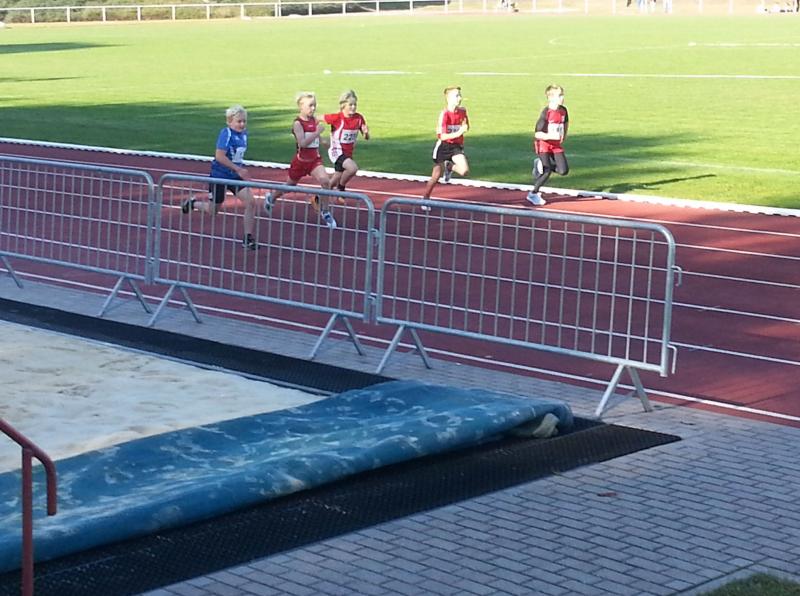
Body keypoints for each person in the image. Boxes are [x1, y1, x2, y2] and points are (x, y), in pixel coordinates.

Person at [181, 105, 258, 249]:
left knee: (251, 202)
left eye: (244, 121)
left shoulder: (244, 134)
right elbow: (219, 156)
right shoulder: (226, 133)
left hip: (234, 177)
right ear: (229, 121)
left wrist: (238, 170)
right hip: (220, 176)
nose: (242, 124)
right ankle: (193, 204)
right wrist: (238, 169)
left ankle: (248, 238)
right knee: (213, 211)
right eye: (239, 121)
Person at [263, 92, 337, 229]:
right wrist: (317, 132)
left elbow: (317, 138)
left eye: (314, 105)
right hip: (301, 161)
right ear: (301, 106)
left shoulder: (314, 121)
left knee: (325, 181)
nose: (313, 108)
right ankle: (272, 197)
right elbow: (302, 143)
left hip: (314, 161)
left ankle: (325, 211)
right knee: (289, 185)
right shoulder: (298, 123)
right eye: (310, 106)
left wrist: (325, 142)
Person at [420, 86, 470, 207]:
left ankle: (449, 167)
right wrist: (459, 132)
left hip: (456, 146)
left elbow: (466, 125)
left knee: (464, 171)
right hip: (443, 146)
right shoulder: (444, 114)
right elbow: (442, 136)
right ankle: (425, 198)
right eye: (456, 96)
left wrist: (465, 128)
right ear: (448, 98)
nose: (460, 98)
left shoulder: (463, 111)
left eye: (460, 95)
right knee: (435, 176)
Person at [324, 90, 370, 203]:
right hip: (337, 152)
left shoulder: (359, 118)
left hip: (348, 154)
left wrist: (366, 133)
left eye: (355, 105)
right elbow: (317, 119)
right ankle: (341, 188)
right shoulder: (337, 118)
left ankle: (317, 199)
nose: (353, 107)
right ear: (343, 105)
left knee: (333, 181)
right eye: (350, 105)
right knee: (353, 168)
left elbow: (366, 137)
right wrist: (315, 133)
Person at [527, 84, 569, 207]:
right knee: (547, 171)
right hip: (543, 145)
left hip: (556, 145)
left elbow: (565, 122)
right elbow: (537, 133)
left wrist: (563, 135)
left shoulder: (563, 110)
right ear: (550, 97)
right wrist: (550, 136)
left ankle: (539, 164)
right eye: (559, 95)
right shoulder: (546, 113)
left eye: (562, 95)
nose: (562, 98)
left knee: (563, 171)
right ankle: (533, 194)